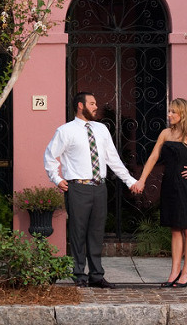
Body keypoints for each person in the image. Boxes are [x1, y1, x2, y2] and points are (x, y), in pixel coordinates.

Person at [44, 91, 141, 289]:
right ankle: (79, 274)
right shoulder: (65, 131)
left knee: (97, 233)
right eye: (92, 103)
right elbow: (50, 156)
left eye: (95, 103)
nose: (96, 106)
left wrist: (130, 181)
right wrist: (57, 179)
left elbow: (112, 158)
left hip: (100, 188)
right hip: (77, 188)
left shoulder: (102, 129)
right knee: (78, 232)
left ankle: (96, 275)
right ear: (80, 105)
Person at [131, 98, 187, 288]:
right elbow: (154, 157)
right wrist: (142, 180)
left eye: (173, 112)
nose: (169, 114)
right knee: (175, 230)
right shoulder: (165, 133)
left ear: (183, 114)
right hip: (169, 185)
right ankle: (174, 272)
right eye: (169, 111)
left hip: (186, 186)